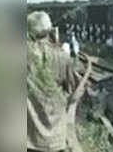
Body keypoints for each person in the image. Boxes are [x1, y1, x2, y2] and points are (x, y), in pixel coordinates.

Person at [27, 11, 77, 152]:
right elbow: (70, 90)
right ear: (49, 30)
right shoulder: (62, 57)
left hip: (30, 139)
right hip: (56, 138)